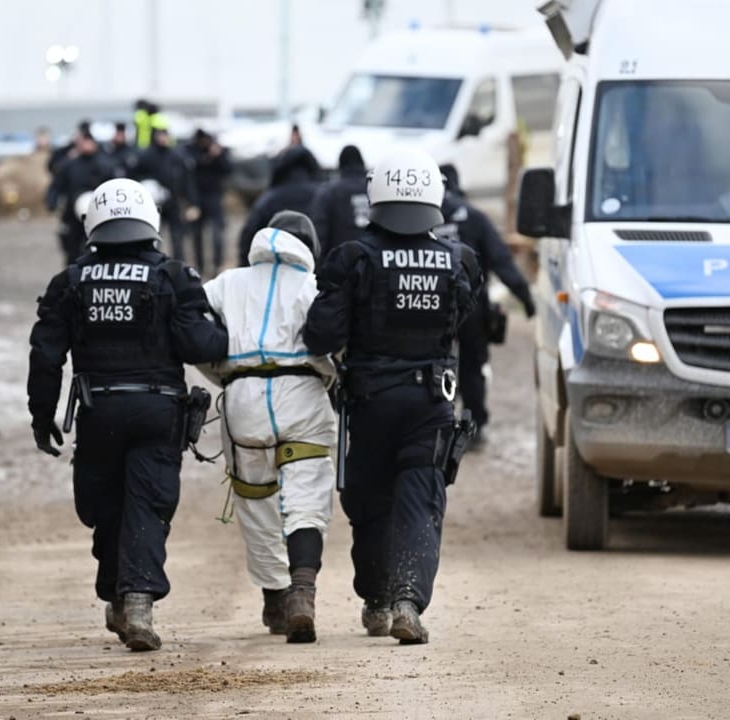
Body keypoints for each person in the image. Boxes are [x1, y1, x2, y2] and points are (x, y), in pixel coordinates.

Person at [27, 178, 229, 652]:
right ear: (150, 221)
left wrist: (42, 416)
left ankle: (123, 599)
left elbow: (45, 356)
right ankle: (135, 602)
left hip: (99, 413)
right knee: (147, 505)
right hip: (159, 413)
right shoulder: (173, 277)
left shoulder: (70, 281)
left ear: (92, 223)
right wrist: (220, 332)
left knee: (108, 509)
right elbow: (201, 345)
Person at [303, 148, 482, 645]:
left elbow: (319, 335)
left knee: (370, 504)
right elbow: (460, 319)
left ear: (374, 194)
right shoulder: (459, 260)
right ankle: (408, 601)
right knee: (421, 502)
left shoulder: (352, 257)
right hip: (431, 404)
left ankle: (379, 600)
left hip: (370, 403)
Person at [199, 210, 335, 643]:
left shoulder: (226, 283)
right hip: (303, 399)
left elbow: (188, 324)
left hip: (244, 404)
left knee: (256, 502)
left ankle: (275, 598)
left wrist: (221, 371)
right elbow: (335, 334)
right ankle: (302, 592)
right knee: (307, 498)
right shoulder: (313, 288)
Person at [437, 164, 535, 447]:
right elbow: (501, 260)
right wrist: (525, 297)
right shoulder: (475, 217)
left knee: (432, 363)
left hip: (431, 306)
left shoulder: (421, 216)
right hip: (471, 308)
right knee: (472, 367)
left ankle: (436, 424)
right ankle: (473, 427)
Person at [238, 144, 320, 265]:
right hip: (314, 274)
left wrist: (245, 267)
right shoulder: (323, 195)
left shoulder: (269, 199)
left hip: (273, 272)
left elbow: (248, 237)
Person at [44, 127, 116, 264]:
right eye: (84, 141)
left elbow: (114, 187)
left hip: (98, 215)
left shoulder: (105, 165)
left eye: (89, 141)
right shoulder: (69, 165)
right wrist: (51, 201)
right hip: (72, 214)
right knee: (71, 249)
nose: (86, 145)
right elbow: (56, 185)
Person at [133, 121, 200, 262]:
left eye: (165, 134)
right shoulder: (146, 156)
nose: (163, 138)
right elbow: (135, 176)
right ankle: (154, 264)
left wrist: (193, 203)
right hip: (154, 205)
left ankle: (178, 267)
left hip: (173, 202)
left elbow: (187, 180)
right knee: (154, 236)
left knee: (177, 237)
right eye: (160, 135)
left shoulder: (176, 155)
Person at [309, 145, 370, 259]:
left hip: (340, 265)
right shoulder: (374, 190)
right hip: (374, 265)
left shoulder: (329, 192)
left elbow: (320, 233)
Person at [186, 129, 232, 276]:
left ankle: (217, 264)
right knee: (197, 235)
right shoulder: (191, 151)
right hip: (197, 198)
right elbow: (189, 170)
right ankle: (200, 265)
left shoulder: (219, 150)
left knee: (217, 233)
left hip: (214, 197)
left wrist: (217, 156)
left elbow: (227, 170)